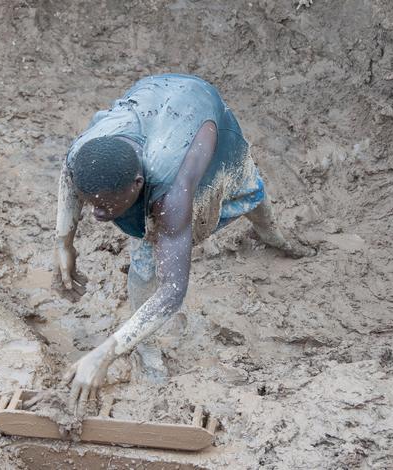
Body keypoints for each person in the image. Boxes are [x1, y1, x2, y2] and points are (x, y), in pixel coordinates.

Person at [55, 74, 313, 408]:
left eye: (106, 206)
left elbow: (172, 292)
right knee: (143, 265)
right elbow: (68, 173)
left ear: (137, 184)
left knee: (245, 186)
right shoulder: (88, 153)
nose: (97, 215)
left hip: (201, 115)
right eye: (90, 202)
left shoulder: (170, 194)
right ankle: (146, 349)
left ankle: (268, 232)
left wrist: (106, 353)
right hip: (155, 95)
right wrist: (64, 243)